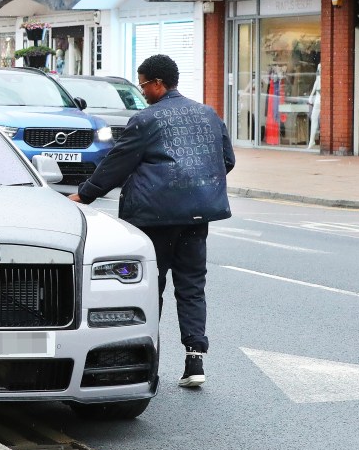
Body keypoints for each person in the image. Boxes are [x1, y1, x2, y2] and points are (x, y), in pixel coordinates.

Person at [68, 54, 235, 389]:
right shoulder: (208, 115)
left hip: (154, 219)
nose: (142, 91)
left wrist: (84, 195)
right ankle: (194, 361)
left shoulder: (147, 120)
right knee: (191, 286)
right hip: (196, 215)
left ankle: (151, 364)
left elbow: (118, 163)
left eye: (144, 84)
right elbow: (226, 160)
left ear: (158, 83)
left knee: (151, 288)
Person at [306, 63, 321, 149]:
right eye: (318, 68)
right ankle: (312, 140)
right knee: (314, 117)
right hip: (318, 98)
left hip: (322, 98)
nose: (319, 70)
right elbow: (315, 87)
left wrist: (311, 96)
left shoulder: (322, 77)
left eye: (320, 68)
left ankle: (312, 140)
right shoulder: (318, 78)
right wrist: (311, 96)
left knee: (320, 119)